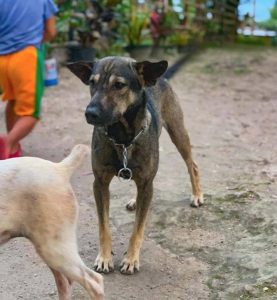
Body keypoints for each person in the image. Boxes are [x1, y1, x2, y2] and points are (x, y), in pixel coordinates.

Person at [0, 0, 58, 159]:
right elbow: (51, 31)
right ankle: (8, 143)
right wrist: (35, 42)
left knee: (13, 101)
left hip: (2, 59)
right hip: (26, 57)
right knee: (30, 114)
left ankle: (13, 149)